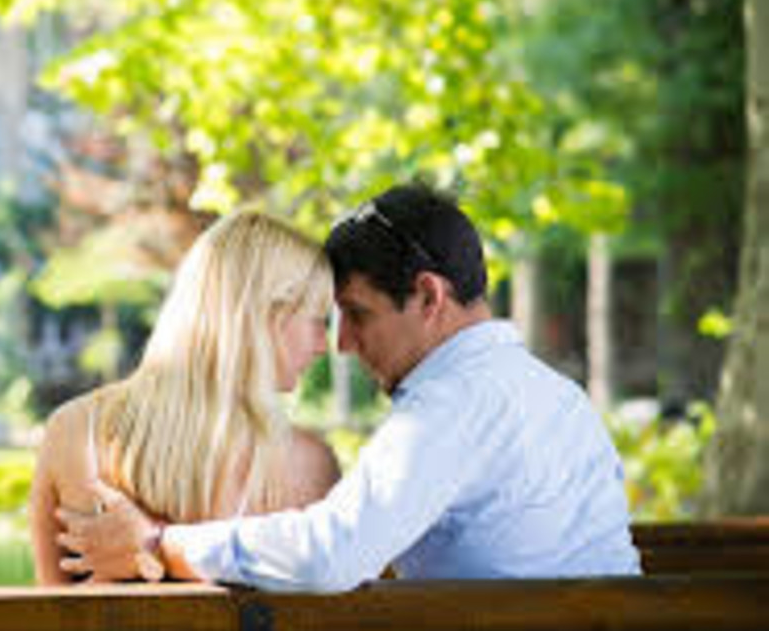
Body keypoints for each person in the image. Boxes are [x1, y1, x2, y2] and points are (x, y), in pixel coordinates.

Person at [54, 182, 641, 591]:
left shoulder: (451, 402)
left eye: (356, 315)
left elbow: (332, 556)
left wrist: (159, 544)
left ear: (429, 297)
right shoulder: (554, 394)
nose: (342, 345)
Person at [30, 210, 342, 585]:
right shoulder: (307, 465)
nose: (325, 345)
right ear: (265, 316)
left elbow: (54, 607)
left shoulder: (74, 431)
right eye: (319, 320)